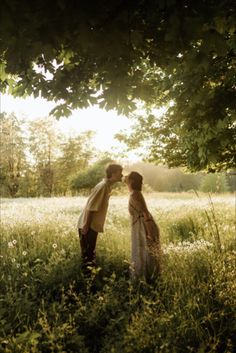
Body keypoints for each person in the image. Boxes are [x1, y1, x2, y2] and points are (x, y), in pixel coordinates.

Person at [77, 163, 123, 269]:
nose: (122, 175)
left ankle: (89, 278)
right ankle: (87, 280)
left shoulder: (106, 186)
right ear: (113, 174)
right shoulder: (103, 186)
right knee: (88, 256)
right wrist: (86, 226)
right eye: (120, 173)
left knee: (89, 254)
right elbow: (90, 207)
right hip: (88, 225)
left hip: (91, 225)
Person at [125, 171, 161, 282]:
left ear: (131, 181)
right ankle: (144, 280)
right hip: (139, 227)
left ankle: (146, 280)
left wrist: (150, 232)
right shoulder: (134, 193)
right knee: (141, 252)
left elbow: (145, 213)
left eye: (127, 176)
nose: (124, 177)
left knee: (145, 253)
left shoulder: (135, 194)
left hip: (144, 227)